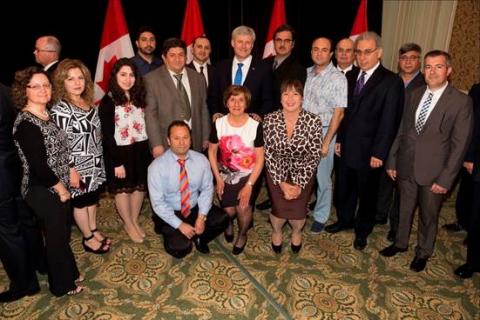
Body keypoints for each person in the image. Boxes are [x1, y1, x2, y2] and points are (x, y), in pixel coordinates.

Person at [380, 50, 473, 272]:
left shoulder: (461, 101)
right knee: (404, 207)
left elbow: (459, 146)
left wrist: (446, 178)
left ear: (449, 71)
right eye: (429, 67)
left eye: (438, 66)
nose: (432, 71)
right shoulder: (414, 94)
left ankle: (423, 252)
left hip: (434, 172)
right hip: (405, 164)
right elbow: (402, 130)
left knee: (428, 216)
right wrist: (392, 160)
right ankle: (401, 243)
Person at [328, 32, 404, 252]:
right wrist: (339, 139)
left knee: (367, 194)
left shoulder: (391, 81)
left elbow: (390, 121)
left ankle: (362, 231)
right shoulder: (350, 77)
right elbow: (343, 113)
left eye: (367, 52)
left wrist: (380, 153)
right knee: (345, 187)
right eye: (358, 52)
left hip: (371, 152)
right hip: (347, 145)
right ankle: (344, 220)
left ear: (379, 53)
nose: (362, 57)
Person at [12, 66, 83, 296]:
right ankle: (62, 285)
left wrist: (70, 169)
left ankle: (68, 272)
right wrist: (60, 188)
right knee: (56, 237)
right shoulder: (26, 123)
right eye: (36, 86)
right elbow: (39, 165)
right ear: (25, 90)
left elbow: (59, 150)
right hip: (40, 187)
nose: (43, 90)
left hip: (56, 182)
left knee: (61, 232)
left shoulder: (46, 113)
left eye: (46, 85)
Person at [51, 59, 109, 254]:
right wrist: (71, 169)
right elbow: (59, 144)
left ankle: (93, 229)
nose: (77, 83)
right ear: (62, 82)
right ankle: (87, 238)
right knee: (81, 202)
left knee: (92, 199)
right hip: (77, 165)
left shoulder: (87, 102)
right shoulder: (61, 109)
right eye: (70, 79)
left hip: (94, 161)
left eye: (80, 78)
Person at [148, 121, 229, 258]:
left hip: (193, 206)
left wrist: (201, 217)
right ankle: (170, 229)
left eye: (185, 137)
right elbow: (157, 203)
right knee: (180, 249)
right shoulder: (156, 167)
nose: (181, 142)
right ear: (168, 140)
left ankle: (199, 238)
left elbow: (207, 189)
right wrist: (179, 225)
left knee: (224, 218)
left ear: (191, 140)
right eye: (176, 138)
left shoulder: (201, 160)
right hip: (171, 211)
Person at [263, 79, 323, 254]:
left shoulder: (313, 121)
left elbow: (313, 155)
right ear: (280, 98)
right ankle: (276, 231)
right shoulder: (269, 119)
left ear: (302, 98)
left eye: (295, 94)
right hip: (276, 171)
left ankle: (297, 232)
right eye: (286, 94)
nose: (290, 98)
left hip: (303, 171)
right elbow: (269, 154)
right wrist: (281, 182)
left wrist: (299, 184)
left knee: (298, 211)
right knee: (279, 210)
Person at [99, 58, 151, 243]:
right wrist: (116, 162)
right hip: (120, 153)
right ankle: (128, 224)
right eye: (123, 75)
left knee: (139, 187)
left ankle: (134, 220)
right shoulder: (108, 100)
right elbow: (107, 136)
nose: (128, 79)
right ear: (115, 76)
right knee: (123, 190)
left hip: (141, 149)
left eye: (131, 75)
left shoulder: (139, 97)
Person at [377, 43, 426, 241]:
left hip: (409, 144)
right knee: (383, 181)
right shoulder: (390, 80)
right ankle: (379, 214)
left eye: (412, 58)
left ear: (419, 61)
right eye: (404, 58)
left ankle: (396, 226)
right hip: (386, 139)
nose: (407, 62)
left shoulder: (425, 84)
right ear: (398, 60)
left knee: (402, 187)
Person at [208, 86, 264, 254]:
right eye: (232, 99)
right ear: (226, 103)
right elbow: (211, 152)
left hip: (248, 175)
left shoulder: (255, 125)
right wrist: (217, 178)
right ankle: (229, 224)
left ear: (247, 103)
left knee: (243, 208)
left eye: (241, 99)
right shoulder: (219, 123)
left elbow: (260, 158)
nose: (236, 104)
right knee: (229, 211)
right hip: (224, 174)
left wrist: (250, 185)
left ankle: (243, 234)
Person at [256, 24, 306, 211]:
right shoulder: (264, 64)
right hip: (263, 121)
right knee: (269, 160)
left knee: (283, 161)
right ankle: (272, 193)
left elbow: (293, 99)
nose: (282, 44)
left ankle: (283, 197)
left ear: (292, 45)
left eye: (287, 41)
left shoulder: (298, 69)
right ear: (274, 42)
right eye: (279, 40)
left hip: (284, 124)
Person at [0, 82, 42, 302]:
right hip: (14, 166)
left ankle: (24, 284)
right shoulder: (7, 90)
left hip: (2, 172)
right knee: (26, 219)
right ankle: (39, 263)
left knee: (7, 230)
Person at [303, 37, 347, 234]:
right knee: (302, 174)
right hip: (303, 130)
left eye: (324, 50)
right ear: (311, 51)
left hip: (324, 131)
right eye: (315, 49)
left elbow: (339, 113)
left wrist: (326, 141)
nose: (319, 53)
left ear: (330, 54)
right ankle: (300, 209)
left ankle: (321, 216)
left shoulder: (338, 78)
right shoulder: (306, 74)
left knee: (323, 178)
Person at [144, 38, 210, 159]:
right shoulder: (151, 80)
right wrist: (156, 143)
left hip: (195, 140)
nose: (177, 59)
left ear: (186, 57)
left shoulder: (198, 78)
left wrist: (205, 135)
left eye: (181, 55)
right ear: (164, 58)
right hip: (166, 143)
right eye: (172, 55)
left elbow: (203, 108)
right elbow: (150, 115)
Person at [208, 25, 274, 121]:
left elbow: (269, 99)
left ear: (252, 45)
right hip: (224, 123)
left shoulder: (264, 69)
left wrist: (260, 115)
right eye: (240, 42)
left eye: (247, 42)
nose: (244, 46)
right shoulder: (220, 67)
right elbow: (213, 95)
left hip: (252, 125)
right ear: (232, 43)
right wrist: (215, 112)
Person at [455, 82, 480, 278]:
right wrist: (469, 156)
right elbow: (472, 126)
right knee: (475, 209)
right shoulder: (477, 90)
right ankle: (473, 261)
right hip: (476, 160)